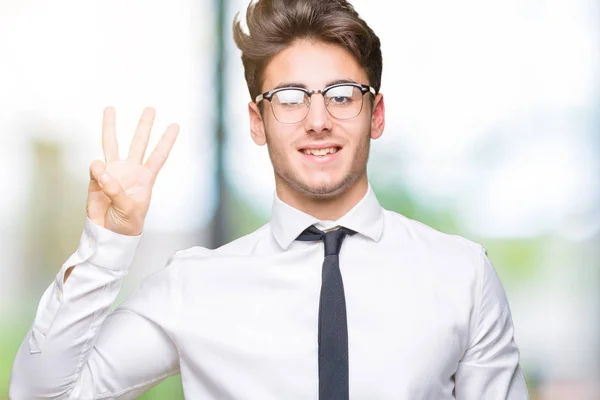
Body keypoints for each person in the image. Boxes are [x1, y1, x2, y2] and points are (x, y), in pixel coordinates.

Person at [9, 0, 529, 398]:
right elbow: (42, 394)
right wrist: (107, 245)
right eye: (290, 98)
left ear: (377, 114)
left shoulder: (462, 275)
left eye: (343, 94)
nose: (318, 119)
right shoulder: (194, 286)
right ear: (258, 122)